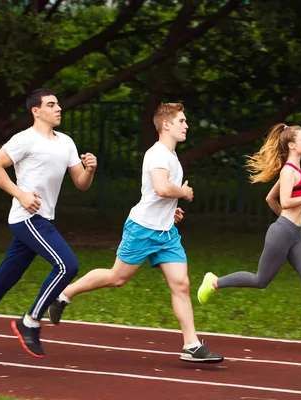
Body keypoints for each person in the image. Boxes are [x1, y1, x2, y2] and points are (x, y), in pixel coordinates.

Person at [48, 102, 224, 363]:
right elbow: (162, 188)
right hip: (142, 229)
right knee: (116, 278)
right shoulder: (158, 154)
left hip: (165, 233)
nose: (186, 125)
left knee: (182, 284)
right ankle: (64, 295)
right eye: (181, 121)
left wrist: (171, 211)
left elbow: (159, 195)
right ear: (166, 125)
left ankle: (191, 345)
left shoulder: (171, 156)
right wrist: (184, 193)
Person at [0, 88, 97, 367]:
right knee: (68, 266)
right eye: (51, 105)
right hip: (27, 218)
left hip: (44, 219)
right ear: (36, 111)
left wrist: (89, 169)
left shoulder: (66, 142)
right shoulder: (24, 139)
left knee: (3, 280)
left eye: (58, 104)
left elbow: (80, 183)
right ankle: (30, 322)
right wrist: (20, 194)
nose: (58, 109)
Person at [197, 123, 301, 345]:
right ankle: (213, 282)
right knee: (261, 280)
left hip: (294, 234)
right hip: (282, 234)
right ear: (291, 144)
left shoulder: (295, 171)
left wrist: (286, 221)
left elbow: (270, 198)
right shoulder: (288, 170)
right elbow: (286, 201)